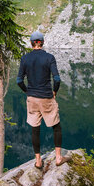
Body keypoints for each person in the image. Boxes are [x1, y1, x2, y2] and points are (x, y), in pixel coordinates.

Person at [17, 30, 69, 169]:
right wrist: (54, 91)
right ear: (42, 42)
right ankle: (58, 157)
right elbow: (57, 79)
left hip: (32, 99)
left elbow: (19, 80)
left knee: (35, 129)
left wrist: (28, 91)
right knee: (56, 126)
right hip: (46, 97)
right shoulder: (49, 57)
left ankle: (38, 161)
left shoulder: (25, 59)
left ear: (31, 43)